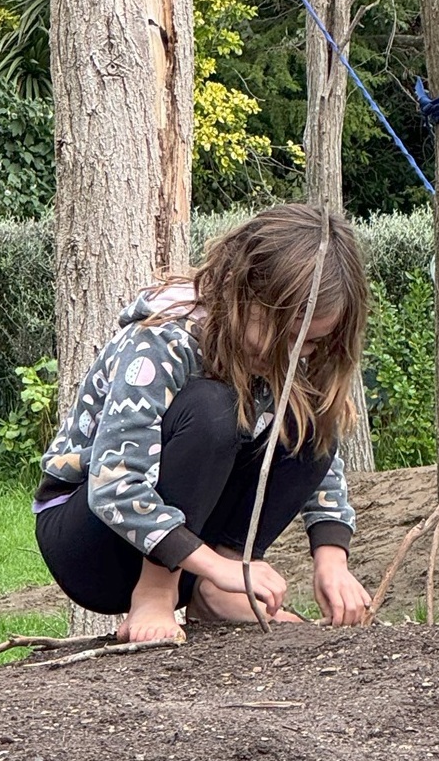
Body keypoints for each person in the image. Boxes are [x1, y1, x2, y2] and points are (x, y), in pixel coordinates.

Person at [34, 205, 373, 642]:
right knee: (214, 407)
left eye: (311, 342)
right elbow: (114, 485)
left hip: (197, 548)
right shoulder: (163, 341)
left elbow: (318, 451)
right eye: (288, 335)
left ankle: (216, 594)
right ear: (242, 291)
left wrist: (332, 560)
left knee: (307, 413)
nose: (296, 354)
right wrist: (217, 566)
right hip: (90, 540)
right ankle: (155, 592)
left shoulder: (285, 358)